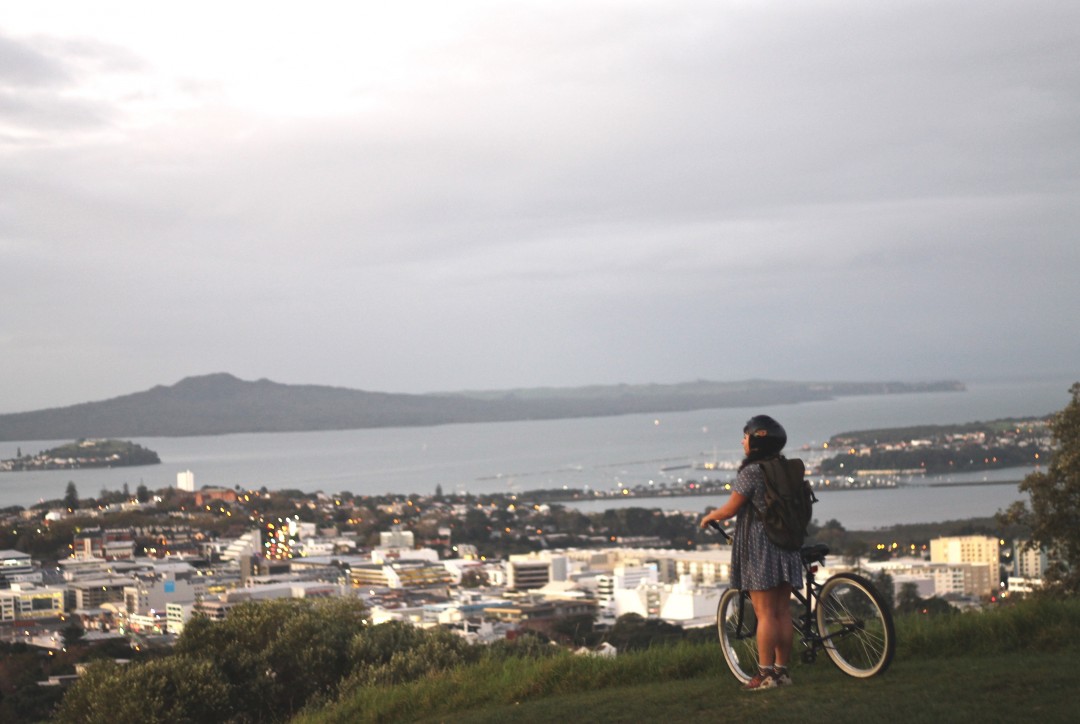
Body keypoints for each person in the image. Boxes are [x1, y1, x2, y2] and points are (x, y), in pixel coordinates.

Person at [700, 414, 803, 691]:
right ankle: (782, 672)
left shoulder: (752, 472)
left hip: (762, 547)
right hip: (786, 544)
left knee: (766, 613)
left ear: (757, 442)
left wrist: (711, 516)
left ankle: (764, 673)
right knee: (782, 611)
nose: (742, 441)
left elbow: (731, 508)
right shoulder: (782, 467)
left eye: (745, 436)